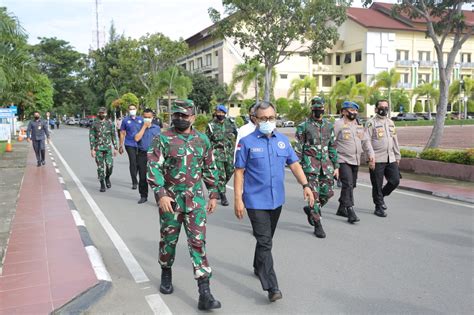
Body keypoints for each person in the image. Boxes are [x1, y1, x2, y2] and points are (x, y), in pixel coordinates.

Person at [234, 101, 314, 302]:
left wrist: (306, 185)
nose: (268, 121)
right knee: (265, 241)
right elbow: (239, 172)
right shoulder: (247, 142)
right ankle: (272, 287)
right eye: (263, 118)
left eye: (271, 118)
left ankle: (257, 265)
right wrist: (238, 200)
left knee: (266, 240)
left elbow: (294, 164)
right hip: (254, 200)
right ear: (255, 119)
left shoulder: (283, 141)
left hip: (276, 200)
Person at [147, 99, 221, 311]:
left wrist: (214, 193)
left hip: (195, 202)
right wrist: (160, 194)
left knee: (198, 242)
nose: (179, 119)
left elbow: (210, 168)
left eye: (184, 115)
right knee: (168, 240)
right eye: (176, 115)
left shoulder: (202, 140)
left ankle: (204, 292)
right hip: (170, 201)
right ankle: (166, 271)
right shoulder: (162, 139)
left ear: (193, 118)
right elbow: (153, 167)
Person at [295, 96, 339, 238]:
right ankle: (317, 224)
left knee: (327, 193)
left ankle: (312, 209)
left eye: (321, 108)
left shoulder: (329, 126)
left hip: (326, 166)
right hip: (310, 166)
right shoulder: (304, 126)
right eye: (316, 108)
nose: (318, 111)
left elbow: (332, 146)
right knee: (314, 195)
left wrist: (336, 165)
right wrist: (298, 166)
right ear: (312, 109)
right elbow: (298, 147)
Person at [334, 101, 374, 223]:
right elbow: (331, 142)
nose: (354, 112)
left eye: (356, 110)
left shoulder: (358, 125)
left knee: (352, 185)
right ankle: (350, 210)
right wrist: (333, 163)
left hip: (356, 160)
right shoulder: (338, 124)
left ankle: (341, 208)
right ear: (344, 112)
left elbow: (365, 141)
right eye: (351, 110)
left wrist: (371, 155)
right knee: (348, 184)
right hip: (342, 159)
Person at [365, 99, 401, 217]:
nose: (384, 109)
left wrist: (397, 155)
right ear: (376, 109)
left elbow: (394, 140)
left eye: (386, 107)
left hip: (390, 158)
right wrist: (371, 157)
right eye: (382, 107)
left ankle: (381, 196)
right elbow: (366, 141)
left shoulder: (390, 122)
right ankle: (378, 206)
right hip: (377, 158)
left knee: (395, 180)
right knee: (377, 184)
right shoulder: (371, 123)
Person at [205, 104, 237, 206]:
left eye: (222, 113)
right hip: (217, 154)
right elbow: (207, 140)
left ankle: (219, 188)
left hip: (229, 154)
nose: (220, 114)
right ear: (215, 113)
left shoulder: (230, 123)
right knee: (221, 175)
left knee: (230, 171)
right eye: (218, 112)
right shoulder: (211, 125)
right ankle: (223, 196)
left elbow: (237, 136)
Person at [134, 108, 160, 204]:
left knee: (156, 177)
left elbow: (160, 141)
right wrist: (144, 127)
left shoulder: (156, 128)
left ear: (152, 117)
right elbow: (136, 138)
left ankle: (159, 198)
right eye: (145, 117)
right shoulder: (139, 126)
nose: (147, 119)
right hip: (142, 154)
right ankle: (143, 196)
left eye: (149, 117)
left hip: (154, 154)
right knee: (142, 176)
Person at [89, 107, 118, 192]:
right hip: (98, 149)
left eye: (103, 113)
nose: (102, 114)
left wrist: (115, 147)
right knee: (100, 167)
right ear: (98, 113)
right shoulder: (94, 124)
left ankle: (107, 177)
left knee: (110, 166)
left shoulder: (110, 123)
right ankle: (102, 183)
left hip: (108, 149)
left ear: (106, 114)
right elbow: (91, 137)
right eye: (100, 113)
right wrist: (92, 149)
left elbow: (113, 136)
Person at [119, 104, 143, 189]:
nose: (132, 110)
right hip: (129, 144)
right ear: (128, 110)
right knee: (133, 162)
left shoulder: (141, 119)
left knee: (139, 163)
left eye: (133, 109)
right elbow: (122, 133)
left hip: (140, 144)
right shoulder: (125, 120)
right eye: (130, 109)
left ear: (136, 109)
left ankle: (139, 179)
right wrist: (120, 145)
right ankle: (134, 182)